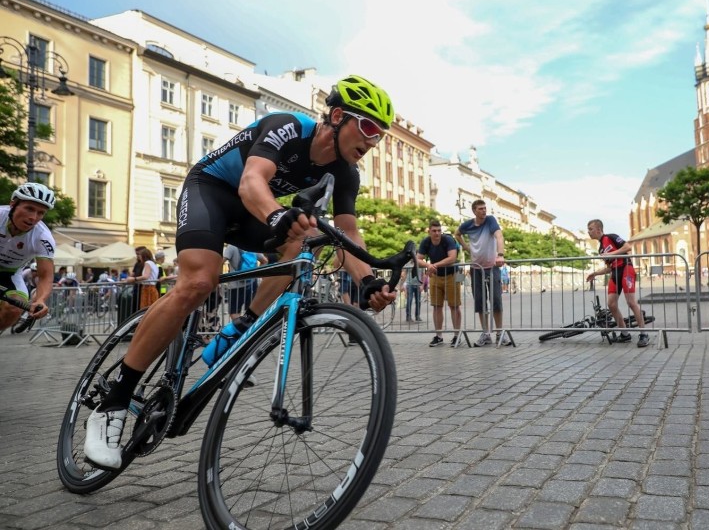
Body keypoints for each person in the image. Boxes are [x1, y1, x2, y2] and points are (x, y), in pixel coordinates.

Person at [84, 74, 397, 470]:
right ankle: (113, 403)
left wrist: (367, 281)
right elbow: (252, 182)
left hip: (254, 210)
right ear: (337, 116)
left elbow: (348, 233)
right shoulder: (287, 127)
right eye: (368, 127)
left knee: (301, 243)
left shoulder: (345, 172)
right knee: (199, 281)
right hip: (212, 191)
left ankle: (241, 326)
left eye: (380, 134)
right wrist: (278, 214)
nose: (372, 141)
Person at [585, 219, 649, 348]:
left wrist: (611, 253)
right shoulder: (600, 248)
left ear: (599, 229)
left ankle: (644, 334)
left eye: (591, 229)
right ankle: (625, 334)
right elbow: (609, 267)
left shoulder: (611, 237)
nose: (588, 232)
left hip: (626, 269)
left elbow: (628, 247)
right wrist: (595, 273)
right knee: (611, 304)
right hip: (614, 272)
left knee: (631, 302)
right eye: (588, 229)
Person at [0, 183, 56, 331]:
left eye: (41, 213)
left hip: (10, 274)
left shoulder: (43, 237)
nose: (33, 217)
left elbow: (45, 276)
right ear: (13, 204)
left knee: (14, 307)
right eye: (29, 208)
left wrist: (40, 300)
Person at [456, 200, 506, 347]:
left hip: (492, 267)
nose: (484, 211)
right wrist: (465, 246)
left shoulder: (490, 221)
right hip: (476, 268)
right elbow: (457, 234)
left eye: (485, 208)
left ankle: (499, 334)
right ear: (474, 211)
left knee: (496, 299)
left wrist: (500, 254)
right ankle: (485, 333)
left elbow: (499, 236)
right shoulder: (468, 225)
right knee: (480, 301)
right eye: (480, 209)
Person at [418, 220, 461, 347]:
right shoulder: (426, 242)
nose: (437, 233)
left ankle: (456, 335)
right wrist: (428, 265)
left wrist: (434, 265)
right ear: (429, 231)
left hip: (453, 275)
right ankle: (439, 336)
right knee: (436, 306)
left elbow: (452, 258)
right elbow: (417, 258)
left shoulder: (448, 240)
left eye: (439, 230)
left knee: (454, 306)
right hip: (435, 276)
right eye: (434, 231)